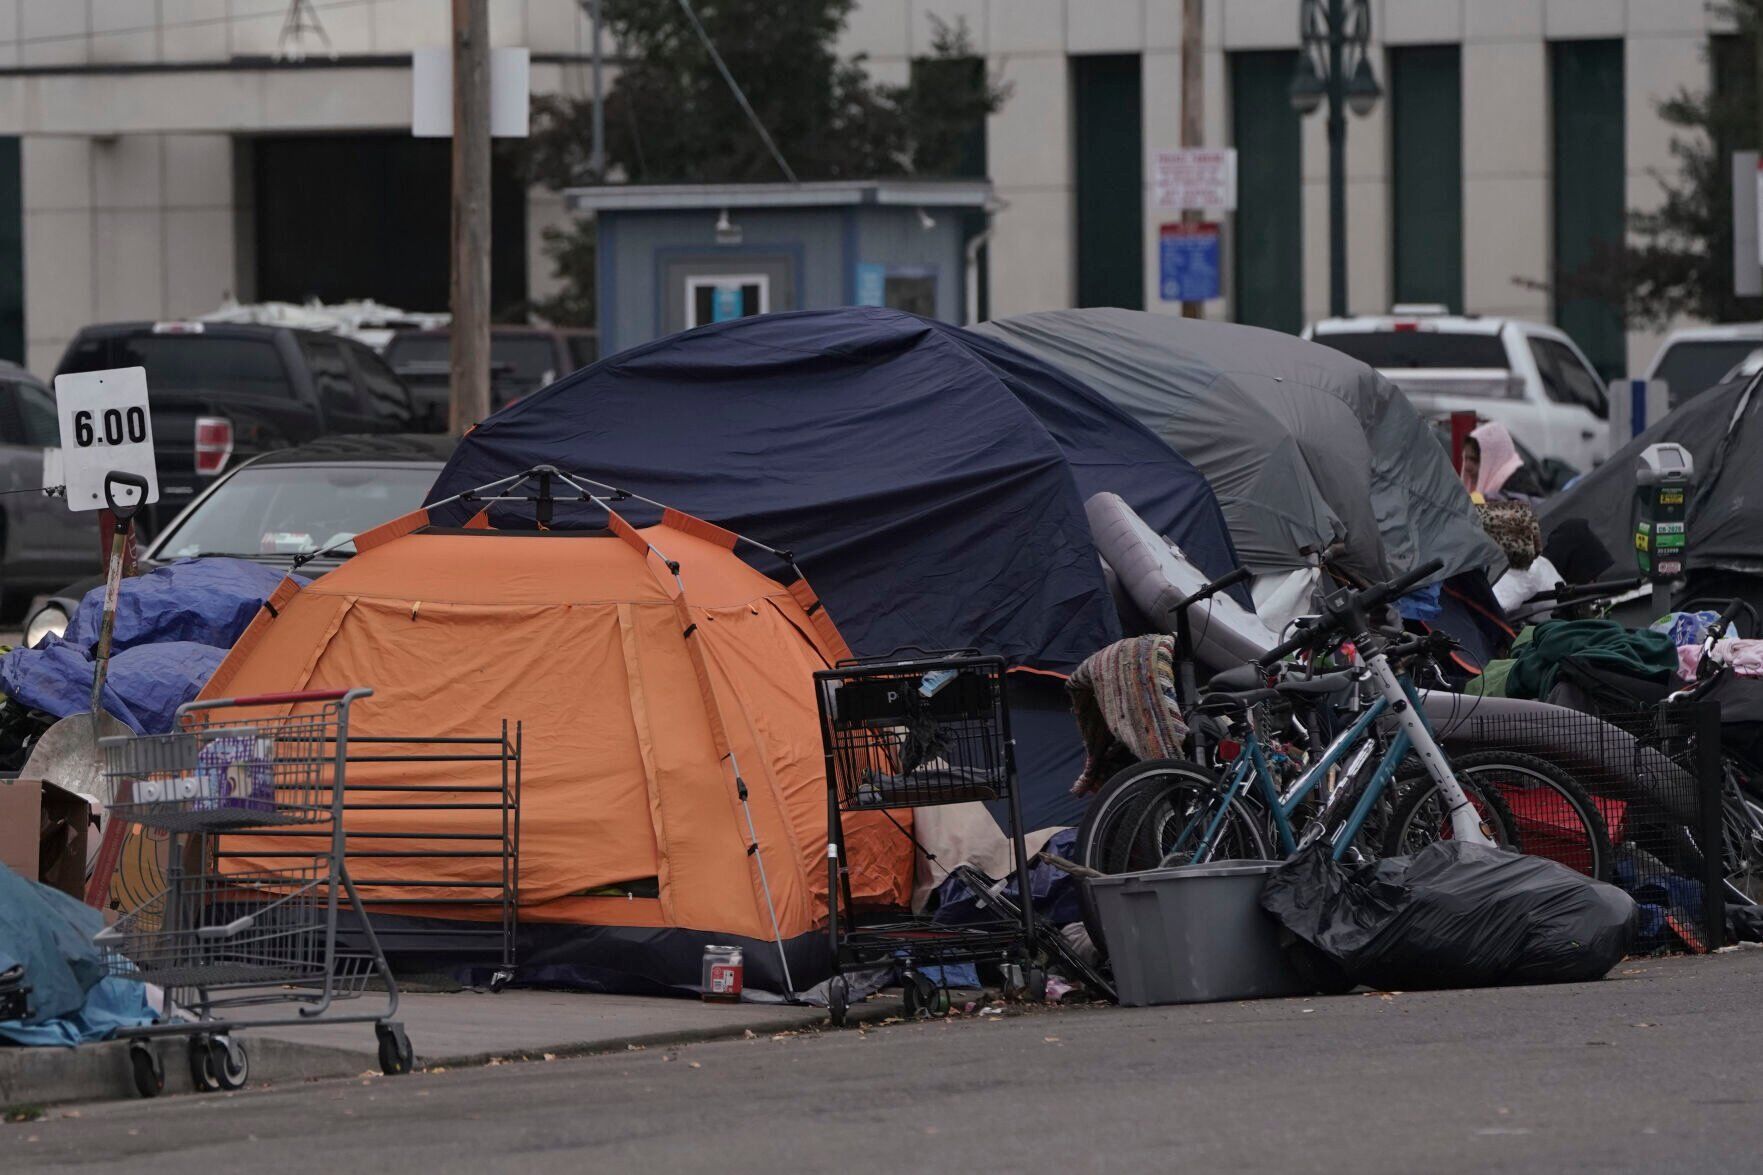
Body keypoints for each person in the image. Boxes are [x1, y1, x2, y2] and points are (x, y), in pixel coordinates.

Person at [1460, 421, 1544, 501]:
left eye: (1475, 460)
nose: (1467, 467)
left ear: (1493, 462)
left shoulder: (1521, 497)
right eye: (1465, 459)